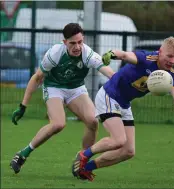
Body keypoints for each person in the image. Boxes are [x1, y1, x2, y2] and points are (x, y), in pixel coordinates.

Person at [72, 36, 174, 181]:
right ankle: (83, 155)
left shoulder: (170, 74)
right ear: (160, 52)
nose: (171, 61)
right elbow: (126, 55)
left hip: (124, 103)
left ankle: (85, 168)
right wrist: (112, 54)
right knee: (118, 140)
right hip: (110, 95)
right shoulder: (147, 58)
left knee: (128, 151)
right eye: (169, 56)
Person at [10, 23, 115, 174]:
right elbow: (37, 77)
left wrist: (122, 81)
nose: (77, 47)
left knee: (93, 121)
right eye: (72, 43)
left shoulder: (88, 54)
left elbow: (108, 72)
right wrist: (23, 106)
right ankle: (23, 154)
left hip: (76, 89)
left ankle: (82, 160)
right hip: (54, 87)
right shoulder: (55, 53)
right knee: (58, 124)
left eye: (80, 42)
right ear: (64, 42)